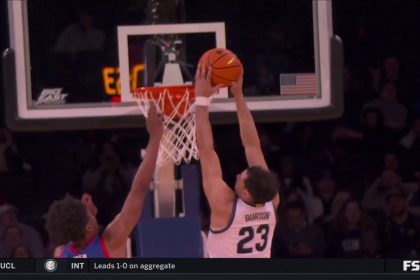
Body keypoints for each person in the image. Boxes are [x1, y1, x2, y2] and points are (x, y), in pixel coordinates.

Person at [45, 106, 163, 258]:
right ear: (88, 227)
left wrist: (84, 215)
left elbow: (72, 235)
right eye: (89, 215)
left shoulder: (60, 254)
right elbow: (139, 189)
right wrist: (155, 137)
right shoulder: (110, 242)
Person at [194, 65, 280, 258]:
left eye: (242, 177)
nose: (238, 174)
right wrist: (238, 96)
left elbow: (207, 150)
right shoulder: (271, 202)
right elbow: (252, 146)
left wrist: (202, 100)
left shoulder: (225, 206)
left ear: (247, 193)